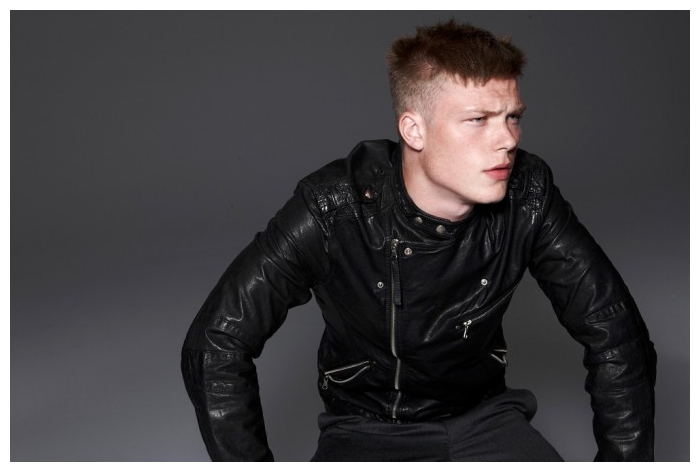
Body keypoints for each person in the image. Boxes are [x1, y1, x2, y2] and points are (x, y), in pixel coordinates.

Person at [181, 19, 656, 461]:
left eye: (512, 116)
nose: (507, 140)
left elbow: (614, 329)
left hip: (485, 418)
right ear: (413, 129)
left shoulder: (528, 195)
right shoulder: (335, 207)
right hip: (366, 427)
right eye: (478, 120)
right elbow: (216, 342)